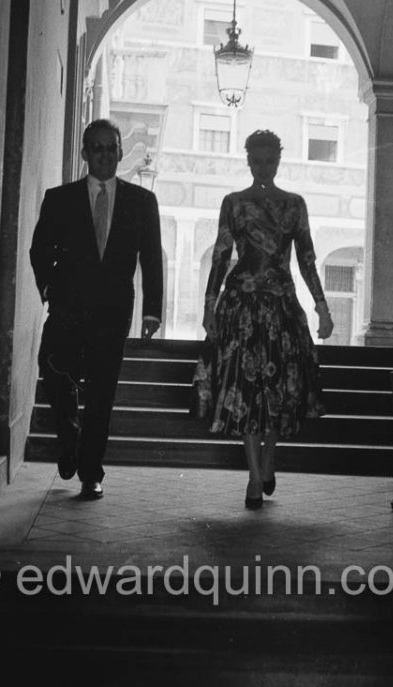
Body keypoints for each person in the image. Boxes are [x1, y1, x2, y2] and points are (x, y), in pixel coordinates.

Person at [194, 130, 333, 509]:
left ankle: (267, 462)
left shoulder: (294, 204)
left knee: (278, 392)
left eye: (269, 161)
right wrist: (209, 304)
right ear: (248, 161)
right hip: (240, 307)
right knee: (246, 391)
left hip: (281, 306)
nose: (263, 168)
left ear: (278, 160)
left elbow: (306, 257)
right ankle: (255, 477)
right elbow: (222, 255)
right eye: (257, 161)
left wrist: (322, 306)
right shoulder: (234, 203)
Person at [30, 119, 163, 500]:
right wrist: (50, 288)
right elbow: (40, 250)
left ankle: (91, 471)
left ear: (121, 153)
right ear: (85, 153)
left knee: (102, 390)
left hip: (113, 310)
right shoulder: (60, 199)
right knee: (53, 368)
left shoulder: (142, 202)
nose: (105, 154)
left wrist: (152, 311)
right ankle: (68, 434)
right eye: (97, 147)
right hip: (68, 305)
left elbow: (151, 259)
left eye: (112, 147)